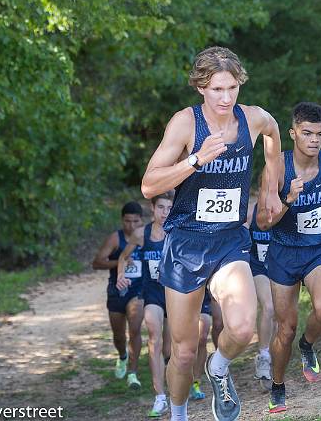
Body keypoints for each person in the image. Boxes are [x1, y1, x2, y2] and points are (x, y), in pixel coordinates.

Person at [140, 46, 283, 421]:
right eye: (217, 89)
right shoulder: (185, 124)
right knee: (185, 351)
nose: (226, 97)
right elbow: (149, 185)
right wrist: (195, 159)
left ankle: (218, 367)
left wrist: (270, 187)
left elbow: (273, 134)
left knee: (241, 326)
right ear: (201, 87)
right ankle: (179, 412)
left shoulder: (253, 119)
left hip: (230, 239)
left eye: (232, 88)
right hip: (186, 242)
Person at [257, 101, 321, 414]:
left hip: (317, 249)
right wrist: (287, 200)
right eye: (307, 133)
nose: (314, 140)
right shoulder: (277, 169)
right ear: (293, 134)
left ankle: (308, 345)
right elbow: (262, 222)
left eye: (319, 134)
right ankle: (277, 385)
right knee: (284, 329)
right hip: (283, 252)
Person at [116, 192, 214, 416]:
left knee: (173, 349)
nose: (165, 213)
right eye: (161, 208)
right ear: (152, 208)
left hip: (175, 295)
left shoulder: (179, 232)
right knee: (154, 336)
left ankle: (179, 390)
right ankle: (159, 396)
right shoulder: (142, 234)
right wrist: (122, 273)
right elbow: (123, 256)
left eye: (169, 208)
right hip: (153, 295)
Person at [91, 201, 146, 390]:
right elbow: (97, 263)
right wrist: (120, 263)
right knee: (118, 335)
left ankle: (133, 373)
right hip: (116, 290)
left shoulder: (146, 236)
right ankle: (122, 356)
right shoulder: (115, 238)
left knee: (135, 329)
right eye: (127, 221)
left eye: (135, 221)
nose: (131, 226)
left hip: (138, 289)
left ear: (141, 220)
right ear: (122, 220)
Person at [248, 203, 275, 390]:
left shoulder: (284, 207)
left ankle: (273, 357)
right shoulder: (251, 212)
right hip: (257, 268)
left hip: (280, 267)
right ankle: (264, 355)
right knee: (269, 307)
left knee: (282, 317)